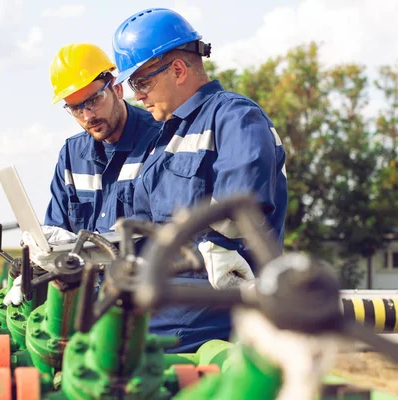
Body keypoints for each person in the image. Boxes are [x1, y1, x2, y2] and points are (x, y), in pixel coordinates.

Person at [112, 8, 288, 352]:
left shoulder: (235, 116)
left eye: (141, 82)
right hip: (170, 304)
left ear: (178, 69)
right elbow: (146, 230)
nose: (137, 96)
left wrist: (221, 245)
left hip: (217, 311)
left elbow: (243, 194)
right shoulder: (163, 140)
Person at [4, 43, 161, 306]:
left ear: (118, 88)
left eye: (93, 100)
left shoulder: (159, 141)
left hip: (139, 304)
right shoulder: (71, 155)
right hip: (82, 305)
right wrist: (37, 266)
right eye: (76, 108)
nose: (88, 115)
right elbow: (56, 233)